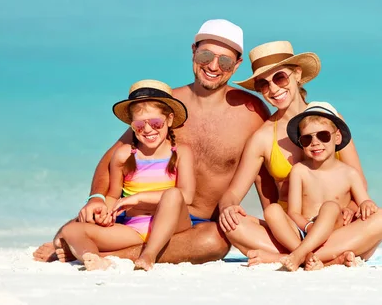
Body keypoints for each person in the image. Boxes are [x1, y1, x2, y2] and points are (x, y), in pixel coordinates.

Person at [33, 19, 272, 264]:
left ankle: (101, 254)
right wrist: (97, 199)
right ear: (193, 51)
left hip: (192, 223)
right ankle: (89, 246)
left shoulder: (251, 112)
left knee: (215, 243)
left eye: (224, 61)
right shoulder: (167, 105)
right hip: (136, 213)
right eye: (206, 55)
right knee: (68, 230)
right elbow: (112, 159)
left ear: (237, 65)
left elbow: (264, 173)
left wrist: (278, 226)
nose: (213, 66)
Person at [218, 41, 382, 267]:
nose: (273, 89)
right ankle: (324, 258)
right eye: (263, 83)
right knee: (233, 225)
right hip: (290, 232)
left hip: (338, 228)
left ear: (297, 74)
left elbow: (359, 180)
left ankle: (290, 257)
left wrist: (350, 210)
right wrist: (228, 207)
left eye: (279, 77)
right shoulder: (262, 138)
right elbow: (232, 193)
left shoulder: (330, 120)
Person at [58, 79, 195, 271]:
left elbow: (186, 195)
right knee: (71, 230)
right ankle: (93, 257)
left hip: (173, 225)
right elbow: (114, 195)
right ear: (131, 125)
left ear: (169, 120)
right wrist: (106, 212)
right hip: (134, 229)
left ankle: (149, 254)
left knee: (172, 194)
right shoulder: (123, 154)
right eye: (140, 125)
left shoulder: (181, 152)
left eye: (156, 123)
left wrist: (138, 198)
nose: (148, 130)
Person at [268, 102, 380, 271]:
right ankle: (318, 258)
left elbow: (364, 200)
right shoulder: (300, 171)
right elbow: (293, 212)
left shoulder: (350, 174)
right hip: (301, 231)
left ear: (337, 137)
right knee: (272, 211)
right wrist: (308, 227)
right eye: (307, 138)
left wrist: (366, 204)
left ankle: (297, 255)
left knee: (381, 217)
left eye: (323, 136)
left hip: (333, 234)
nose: (315, 142)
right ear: (301, 144)